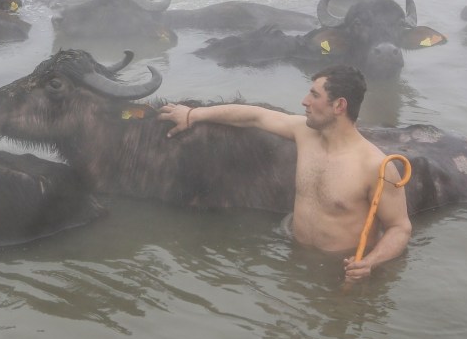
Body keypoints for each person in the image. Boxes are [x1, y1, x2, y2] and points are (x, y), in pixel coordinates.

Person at [157, 65, 411, 283]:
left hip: (341, 271)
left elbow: (400, 228)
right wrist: (192, 114)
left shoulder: (375, 166)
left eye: (314, 95)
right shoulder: (304, 134)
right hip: (295, 259)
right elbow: (254, 116)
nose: (304, 101)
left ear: (339, 105)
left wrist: (370, 263)